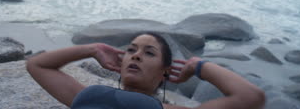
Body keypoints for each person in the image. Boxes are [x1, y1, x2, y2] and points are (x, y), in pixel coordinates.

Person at [27, 32, 265, 109]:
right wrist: (92, 48)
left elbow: (251, 97)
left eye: (149, 53)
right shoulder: (89, 96)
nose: (136, 55)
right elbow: (36, 64)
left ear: (165, 72)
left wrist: (198, 66)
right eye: (131, 50)